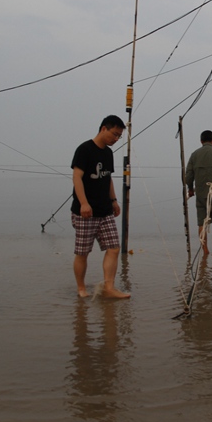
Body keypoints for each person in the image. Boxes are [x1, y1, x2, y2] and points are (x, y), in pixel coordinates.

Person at [71, 115, 130, 299]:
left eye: (119, 136)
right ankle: (81, 288)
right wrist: (84, 203)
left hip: (105, 210)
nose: (116, 139)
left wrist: (114, 201)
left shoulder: (108, 153)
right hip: (85, 212)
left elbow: (108, 178)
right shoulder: (85, 149)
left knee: (114, 248)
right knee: (83, 253)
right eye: (114, 134)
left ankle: (109, 288)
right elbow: (77, 177)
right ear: (104, 128)